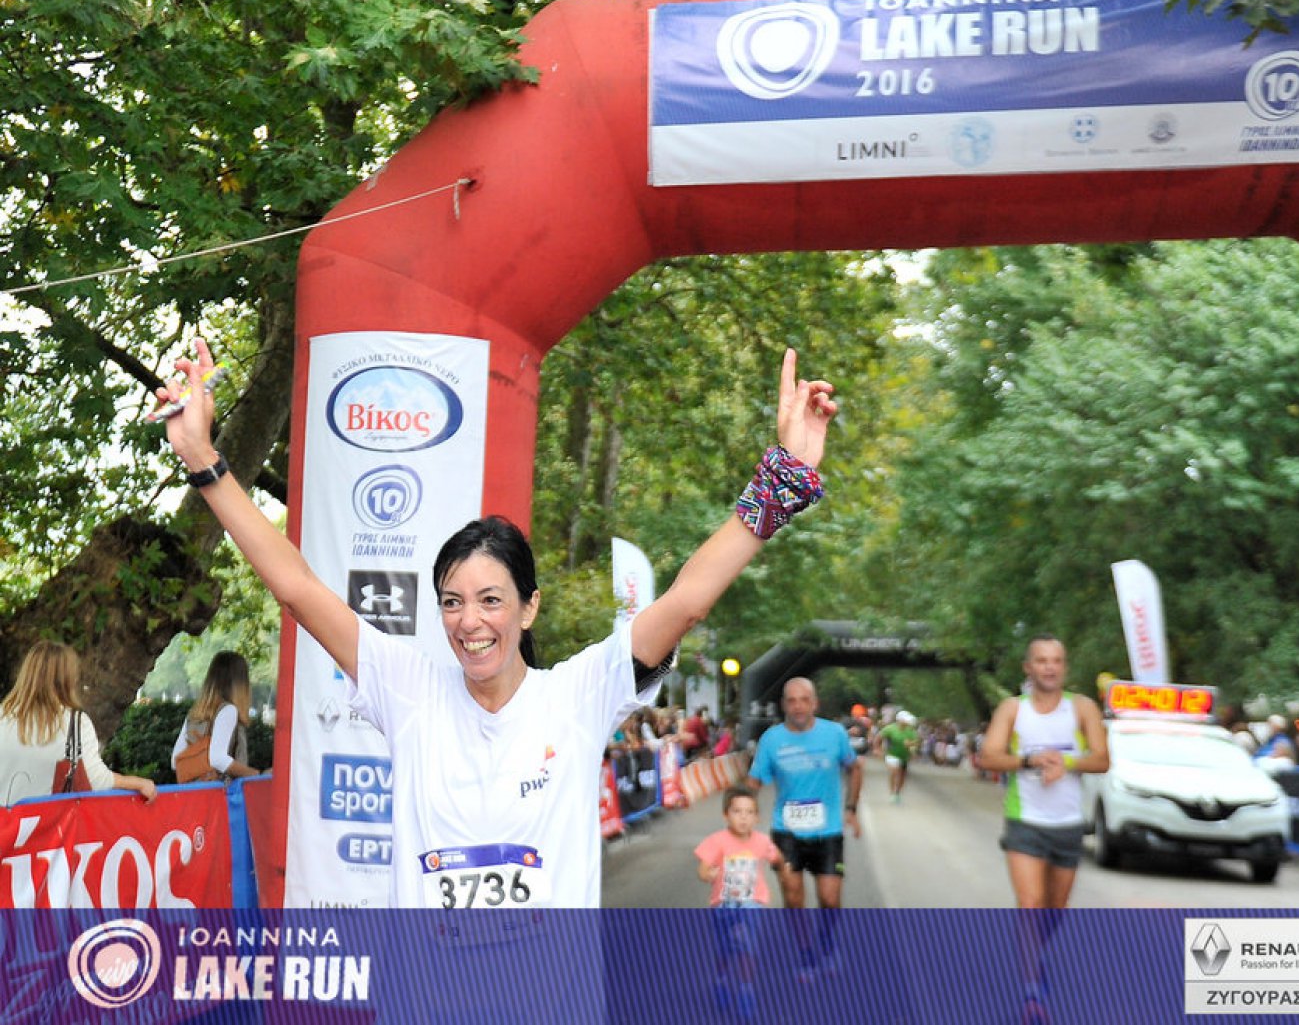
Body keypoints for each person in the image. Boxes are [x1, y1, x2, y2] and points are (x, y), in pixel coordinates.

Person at [159, 339, 837, 908]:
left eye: (491, 600)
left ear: (528, 606)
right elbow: (299, 590)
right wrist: (203, 460)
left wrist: (781, 482)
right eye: (452, 602)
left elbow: (687, 601)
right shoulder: (408, 688)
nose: (469, 622)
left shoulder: (578, 693)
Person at [980, 635, 1109, 909]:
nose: (1050, 668)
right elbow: (989, 757)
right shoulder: (1013, 709)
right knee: (1031, 904)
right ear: (1028, 667)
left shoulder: (1082, 708)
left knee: (1055, 909)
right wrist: (1030, 761)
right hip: (1025, 822)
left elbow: (1102, 761)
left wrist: (1066, 763)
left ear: (1065, 667)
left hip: (1068, 824)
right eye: (1042, 661)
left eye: (1057, 661)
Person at [747, 677, 862, 909]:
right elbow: (753, 782)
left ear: (814, 704)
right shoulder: (771, 739)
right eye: (792, 701)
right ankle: (801, 936)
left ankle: (826, 935)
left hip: (828, 831)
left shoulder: (835, 733)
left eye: (804, 700)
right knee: (793, 899)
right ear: (783, 705)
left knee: (830, 900)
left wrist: (851, 808)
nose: (798, 706)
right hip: (786, 832)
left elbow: (855, 768)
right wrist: (743, 819)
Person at [0, 641, 158, 806]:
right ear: (67, 679)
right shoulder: (75, 723)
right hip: (48, 820)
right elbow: (95, 779)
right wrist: (137, 783)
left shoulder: (3, 717)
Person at [695, 786, 788, 1019]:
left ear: (757, 818)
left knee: (747, 946)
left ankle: (746, 990)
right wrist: (708, 874)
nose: (743, 818)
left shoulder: (762, 841)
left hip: (751, 904)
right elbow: (702, 869)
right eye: (737, 812)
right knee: (725, 950)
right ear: (726, 815)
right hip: (723, 905)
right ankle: (721, 980)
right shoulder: (717, 841)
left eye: (749, 812)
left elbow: (777, 857)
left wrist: (781, 863)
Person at [171, 651, 262, 782]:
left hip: (192, 790)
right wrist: (255, 774)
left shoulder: (195, 714)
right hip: (219, 790)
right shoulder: (228, 710)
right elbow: (217, 758)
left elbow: (175, 761)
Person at [876, 709, 920, 803]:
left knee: (902, 776)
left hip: (904, 756)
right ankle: (892, 793)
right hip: (891, 754)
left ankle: (897, 793)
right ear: (899, 720)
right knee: (894, 771)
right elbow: (878, 738)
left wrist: (912, 747)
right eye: (905, 720)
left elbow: (916, 743)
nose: (907, 722)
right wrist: (877, 749)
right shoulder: (890, 729)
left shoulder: (911, 731)